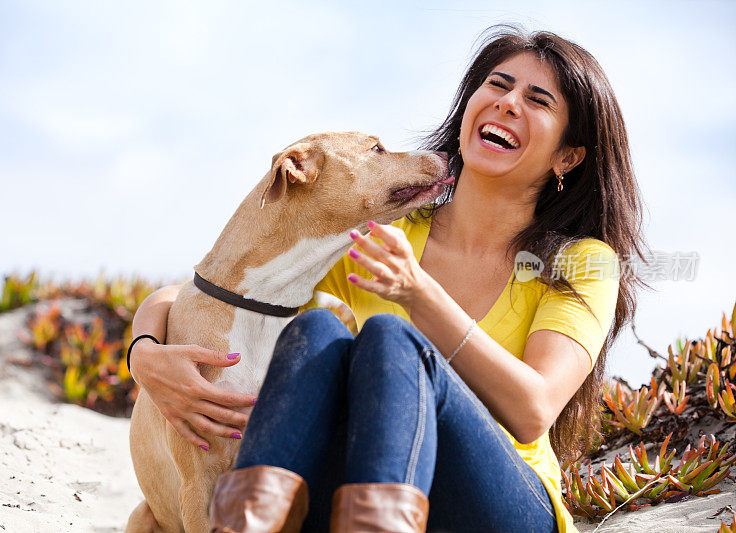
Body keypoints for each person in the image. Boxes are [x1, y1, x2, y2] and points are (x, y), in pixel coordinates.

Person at [128, 25, 648, 533]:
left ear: (568, 156)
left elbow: (533, 410)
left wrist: (418, 293)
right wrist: (145, 353)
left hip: (498, 503)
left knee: (392, 338)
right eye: (497, 84)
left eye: (538, 100)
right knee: (315, 333)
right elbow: (215, 294)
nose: (508, 102)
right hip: (358, 488)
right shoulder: (387, 234)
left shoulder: (582, 262)